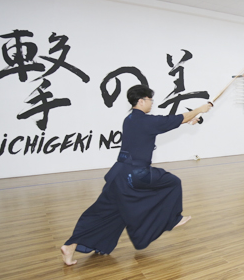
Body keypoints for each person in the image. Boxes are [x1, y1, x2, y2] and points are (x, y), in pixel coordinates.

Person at [60, 85, 212, 265]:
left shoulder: (130, 119)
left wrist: (186, 121)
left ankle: (70, 246)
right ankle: (172, 219)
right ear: (141, 101)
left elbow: (166, 123)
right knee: (172, 182)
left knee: (106, 212)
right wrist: (200, 109)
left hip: (119, 173)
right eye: (150, 100)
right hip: (136, 174)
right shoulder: (145, 121)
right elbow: (171, 119)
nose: (152, 103)